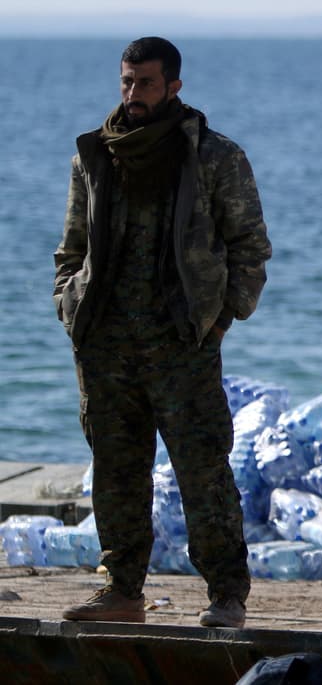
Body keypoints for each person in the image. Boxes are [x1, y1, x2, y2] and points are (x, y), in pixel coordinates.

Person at [53, 37, 271, 628]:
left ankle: (227, 594)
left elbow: (250, 247)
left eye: (146, 83)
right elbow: (71, 247)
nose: (133, 94)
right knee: (117, 471)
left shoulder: (214, 157)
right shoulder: (95, 155)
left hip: (182, 344)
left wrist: (221, 319)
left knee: (203, 470)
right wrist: (69, 303)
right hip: (105, 343)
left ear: (174, 86)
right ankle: (123, 589)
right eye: (126, 81)